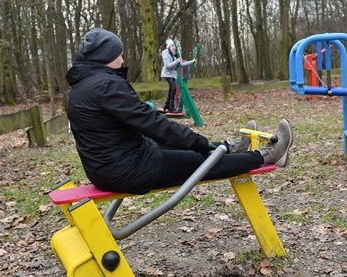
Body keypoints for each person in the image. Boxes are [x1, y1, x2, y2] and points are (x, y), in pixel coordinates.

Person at [66, 28, 294, 194]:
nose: (123, 59)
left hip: (109, 167)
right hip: (127, 171)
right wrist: (199, 142)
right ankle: (264, 156)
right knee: (198, 162)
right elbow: (154, 124)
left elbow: (132, 129)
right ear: (107, 57)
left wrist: (201, 143)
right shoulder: (106, 86)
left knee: (183, 148)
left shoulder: (82, 86)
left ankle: (227, 147)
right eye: (119, 54)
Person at [160, 39, 195, 113]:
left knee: (171, 89)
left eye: (174, 46)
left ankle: (167, 105)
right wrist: (176, 61)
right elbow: (167, 66)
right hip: (167, 73)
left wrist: (191, 62)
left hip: (172, 74)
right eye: (172, 46)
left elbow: (181, 64)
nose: (174, 47)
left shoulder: (174, 54)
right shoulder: (166, 54)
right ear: (169, 47)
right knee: (173, 88)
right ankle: (171, 107)